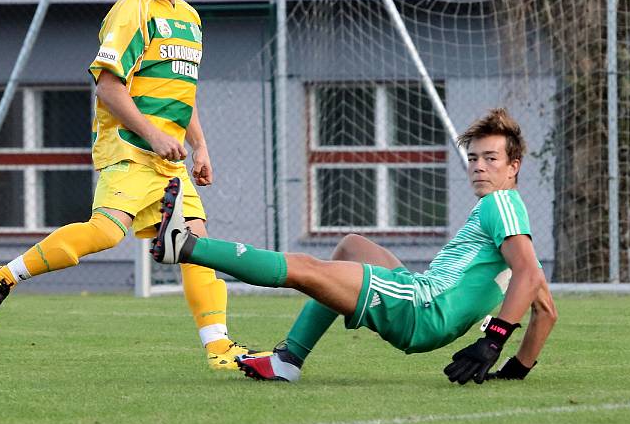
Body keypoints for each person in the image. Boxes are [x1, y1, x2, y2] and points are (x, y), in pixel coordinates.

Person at [0, 0, 268, 370]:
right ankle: (2, 275)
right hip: (129, 149)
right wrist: (153, 135)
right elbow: (108, 88)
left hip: (168, 160)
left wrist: (201, 147)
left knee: (198, 246)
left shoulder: (189, 17)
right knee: (108, 232)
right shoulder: (132, 11)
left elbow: (181, 94)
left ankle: (219, 348)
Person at [151, 108, 558, 384]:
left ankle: (186, 247)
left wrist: (492, 341)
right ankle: (289, 360)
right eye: (473, 159)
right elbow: (545, 308)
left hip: (421, 308)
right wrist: (515, 370)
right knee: (351, 247)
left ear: (514, 166)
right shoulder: (515, 222)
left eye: (491, 159)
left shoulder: (500, 204)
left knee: (307, 269)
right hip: (423, 298)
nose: (479, 168)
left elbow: (527, 274)